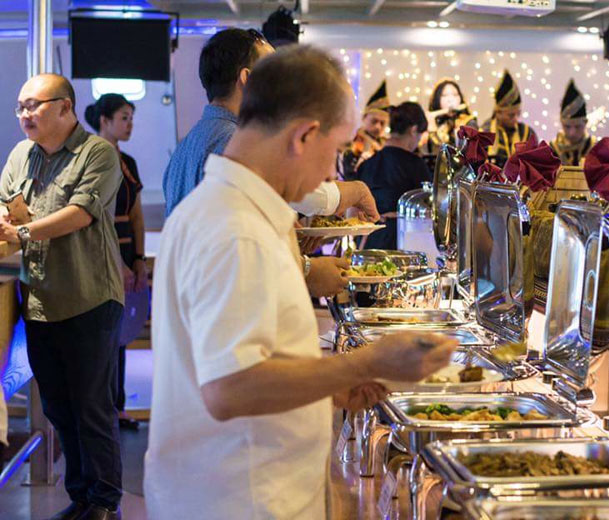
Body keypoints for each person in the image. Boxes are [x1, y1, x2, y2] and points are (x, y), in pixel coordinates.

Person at [144, 45, 457, 520]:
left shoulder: (231, 211)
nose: (330, 172)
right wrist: (364, 362)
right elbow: (230, 388)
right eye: (334, 151)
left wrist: (328, 386)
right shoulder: (235, 228)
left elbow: (251, 359)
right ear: (305, 136)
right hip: (239, 500)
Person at [160, 28, 377, 297]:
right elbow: (311, 199)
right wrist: (306, 270)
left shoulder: (188, 144)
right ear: (249, 81)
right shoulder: (232, 142)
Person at [0, 74, 124, 520]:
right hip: (41, 301)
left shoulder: (98, 153)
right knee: (58, 407)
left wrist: (22, 232)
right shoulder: (20, 155)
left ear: (65, 107)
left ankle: (105, 501)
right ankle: (82, 496)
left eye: (33, 105)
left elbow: (80, 214)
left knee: (91, 407)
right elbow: (6, 206)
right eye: (20, 107)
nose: (25, 115)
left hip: (89, 298)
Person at [84, 93, 146, 431]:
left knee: (121, 333)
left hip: (126, 249)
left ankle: (117, 405)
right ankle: (102, 408)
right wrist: (118, 264)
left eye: (131, 118)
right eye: (124, 117)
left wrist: (137, 259)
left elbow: (135, 214)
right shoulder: (91, 157)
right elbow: (96, 217)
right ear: (104, 121)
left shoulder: (128, 162)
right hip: (100, 254)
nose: (130, 124)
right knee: (103, 332)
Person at [359, 102, 432, 251]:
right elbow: (428, 207)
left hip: (368, 241)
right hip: (402, 241)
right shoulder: (416, 165)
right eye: (419, 136)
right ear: (413, 130)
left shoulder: (366, 164)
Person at [481, 70, 536, 167]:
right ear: (498, 113)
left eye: (518, 114)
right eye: (511, 115)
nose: (515, 118)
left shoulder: (527, 132)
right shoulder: (485, 132)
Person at [340, 80, 390, 180]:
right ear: (364, 118)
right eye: (374, 121)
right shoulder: (353, 140)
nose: (378, 127)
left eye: (382, 123)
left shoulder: (386, 144)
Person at [550, 79, 596, 166]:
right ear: (561, 123)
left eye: (578, 126)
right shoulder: (552, 149)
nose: (572, 133)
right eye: (567, 127)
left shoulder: (595, 148)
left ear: (586, 122)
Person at [426, 78, 477, 151]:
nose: (450, 99)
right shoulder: (434, 122)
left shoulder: (469, 123)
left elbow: (449, 155)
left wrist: (433, 133)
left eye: (455, 95)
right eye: (444, 95)